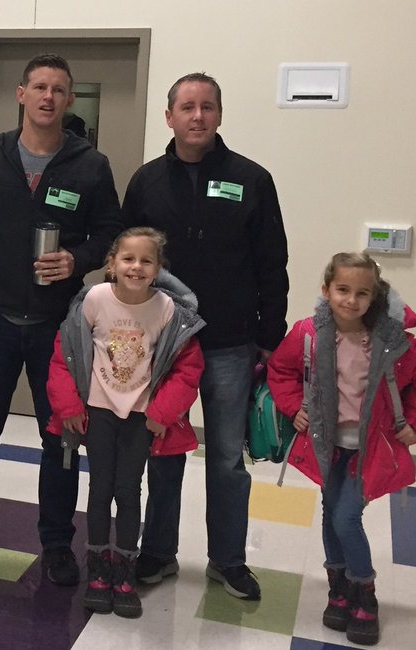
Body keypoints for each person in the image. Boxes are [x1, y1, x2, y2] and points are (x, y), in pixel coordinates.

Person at [0, 54, 123, 584]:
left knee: (61, 438)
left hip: (56, 325)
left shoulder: (91, 165)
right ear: (20, 94)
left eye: (59, 89)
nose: (49, 97)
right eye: (40, 87)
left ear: (70, 100)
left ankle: (57, 543)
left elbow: (110, 235)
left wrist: (79, 259)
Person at [122, 72, 290, 600]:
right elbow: (127, 262)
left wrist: (270, 332)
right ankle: (158, 553)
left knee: (224, 457)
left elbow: (272, 261)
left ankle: (228, 560)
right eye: (187, 107)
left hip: (230, 343)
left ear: (220, 115)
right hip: (163, 345)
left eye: (208, 107)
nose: (198, 116)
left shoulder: (252, 179)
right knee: (163, 449)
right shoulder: (147, 181)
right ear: (169, 117)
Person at [268, 251, 416, 645]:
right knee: (331, 513)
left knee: (346, 516)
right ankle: (340, 590)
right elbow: (281, 370)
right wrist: (292, 406)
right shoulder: (308, 334)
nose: (351, 300)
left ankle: (365, 592)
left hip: (370, 449)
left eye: (361, 293)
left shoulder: (391, 342)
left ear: (375, 296)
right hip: (327, 446)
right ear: (326, 290)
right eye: (342, 290)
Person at [46, 228, 204, 619]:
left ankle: (124, 570)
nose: (136, 267)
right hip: (96, 414)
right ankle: (98, 570)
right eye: (128, 259)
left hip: (141, 418)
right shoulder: (94, 300)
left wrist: (160, 415)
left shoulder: (168, 310)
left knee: (129, 491)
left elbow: (187, 370)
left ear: (158, 269)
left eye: (146, 261)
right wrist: (69, 408)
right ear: (112, 263)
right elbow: (63, 355)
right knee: (100, 490)